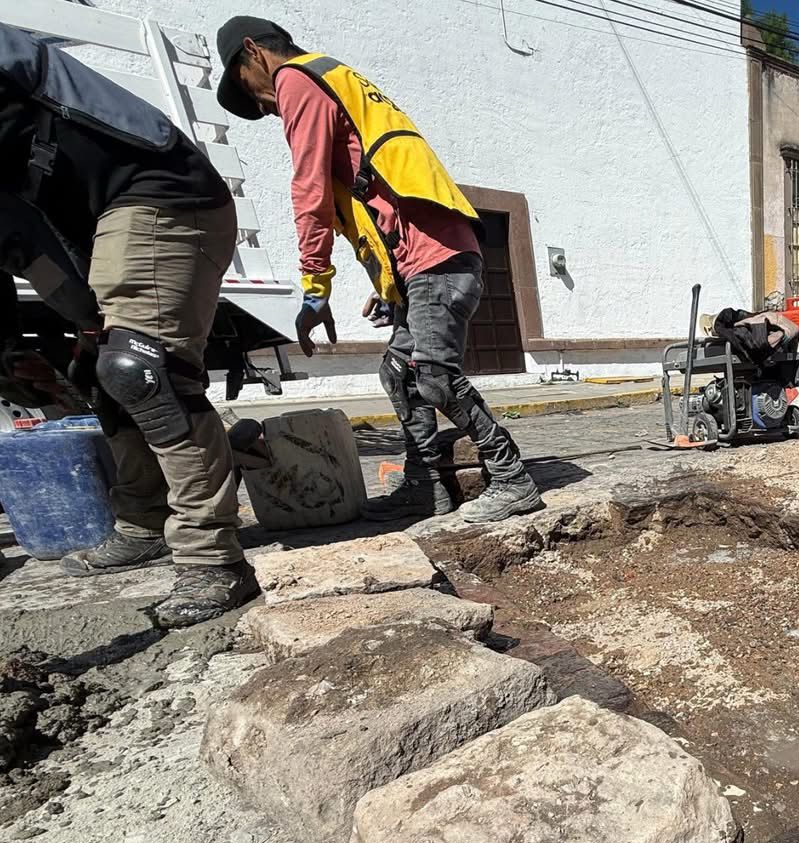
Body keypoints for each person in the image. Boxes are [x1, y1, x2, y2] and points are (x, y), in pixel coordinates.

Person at [215, 17, 543, 523]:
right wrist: (390, 285)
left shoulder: (296, 78)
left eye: (246, 87)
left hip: (438, 257)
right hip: (427, 260)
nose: (262, 105)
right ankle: (424, 486)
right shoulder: (337, 80)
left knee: (433, 374)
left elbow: (311, 192)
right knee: (398, 372)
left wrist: (314, 287)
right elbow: (380, 200)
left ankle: (511, 477)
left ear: (254, 51)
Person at [0, 23, 256, 627]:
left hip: (159, 192)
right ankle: (143, 523)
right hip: (71, 232)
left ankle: (212, 558)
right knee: (98, 371)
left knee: (143, 370)